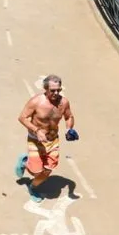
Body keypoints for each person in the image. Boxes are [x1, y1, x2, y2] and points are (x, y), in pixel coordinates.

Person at [13, 74, 77, 202]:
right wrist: (37, 130)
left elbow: (69, 116)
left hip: (53, 141)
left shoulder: (63, 102)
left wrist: (69, 129)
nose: (56, 93)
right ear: (45, 89)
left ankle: (33, 187)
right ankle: (25, 162)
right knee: (37, 172)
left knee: (48, 170)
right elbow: (22, 118)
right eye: (52, 90)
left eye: (58, 90)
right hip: (35, 141)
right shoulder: (36, 102)